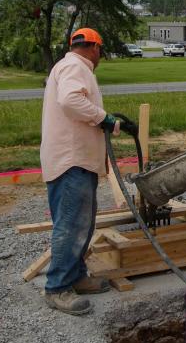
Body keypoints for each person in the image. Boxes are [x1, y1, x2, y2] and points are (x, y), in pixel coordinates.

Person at [41, 28, 130, 315]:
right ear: (94, 48)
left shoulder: (73, 67)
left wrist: (111, 121)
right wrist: (104, 118)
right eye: (100, 51)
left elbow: (79, 106)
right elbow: (71, 102)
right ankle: (57, 288)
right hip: (72, 161)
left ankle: (75, 275)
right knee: (70, 225)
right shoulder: (74, 66)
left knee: (82, 223)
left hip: (77, 160)